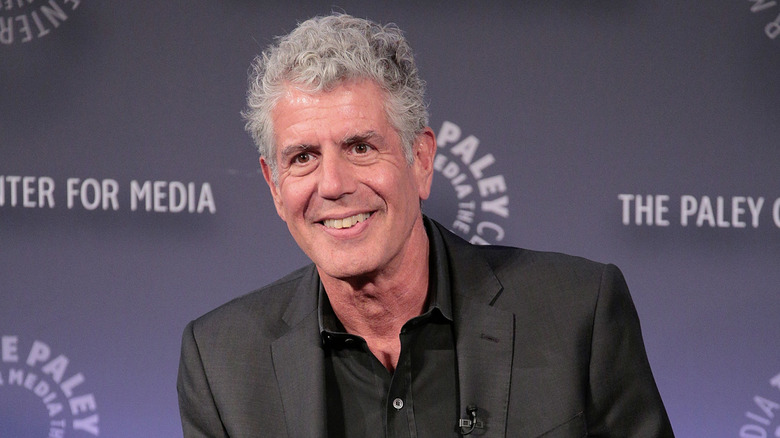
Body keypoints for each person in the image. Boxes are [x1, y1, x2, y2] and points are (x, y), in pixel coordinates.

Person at [177, 13, 674, 437]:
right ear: (274, 186)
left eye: (360, 147)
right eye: (303, 157)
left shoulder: (576, 314)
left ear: (421, 159)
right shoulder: (222, 365)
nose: (332, 184)